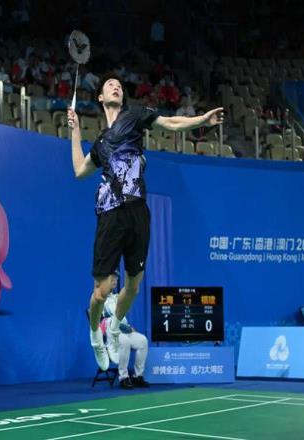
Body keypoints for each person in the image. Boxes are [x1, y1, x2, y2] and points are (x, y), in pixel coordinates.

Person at [67, 74, 223, 371]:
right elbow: (78, 170)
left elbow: (171, 123)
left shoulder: (135, 116)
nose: (116, 86)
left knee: (134, 287)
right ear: (100, 98)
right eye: (109, 85)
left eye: (119, 85)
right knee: (101, 292)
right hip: (110, 212)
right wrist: (74, 132)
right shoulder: (100, 143)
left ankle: (114, 328)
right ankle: (95, 334)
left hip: (138, 210)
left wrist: (202, 120)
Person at [101, 272, 149, 389]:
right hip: (113, 334)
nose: (114, 281)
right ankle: (123, 377)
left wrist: (128, 327)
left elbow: (122, 318)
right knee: (124, 341)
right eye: (112, 279)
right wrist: (126, 328)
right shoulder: (100, 299)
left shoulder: (118, 297)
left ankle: (138, 376)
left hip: (125, 331)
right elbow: (108, 319)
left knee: (142, 340)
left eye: (116, 279)